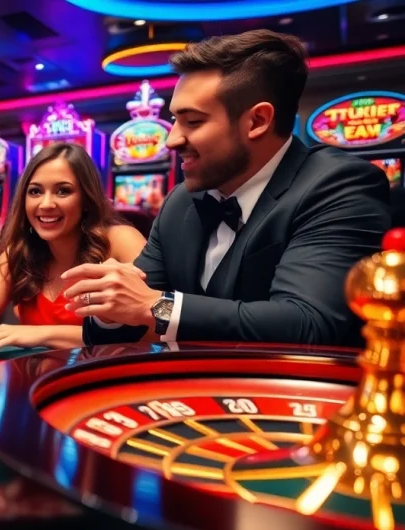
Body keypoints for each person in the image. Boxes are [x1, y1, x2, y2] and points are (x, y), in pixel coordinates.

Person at [66, 29, 390, 348]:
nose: (172, 140)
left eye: (193, 122)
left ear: (257, 121)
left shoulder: (338, 185)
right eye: (175, 120)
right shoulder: (181, 201)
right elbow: (122, 326)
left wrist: (157, 306)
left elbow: (308, 323)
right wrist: (110, 302)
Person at [0, 143, 146, 360]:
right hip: (40, 376)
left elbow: (155, 329)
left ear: (86, 199)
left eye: (63, 191)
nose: (46, 203)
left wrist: (39, 334)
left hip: (108, 375)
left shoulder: (121, 240)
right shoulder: (19, 253)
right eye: (35, 191)